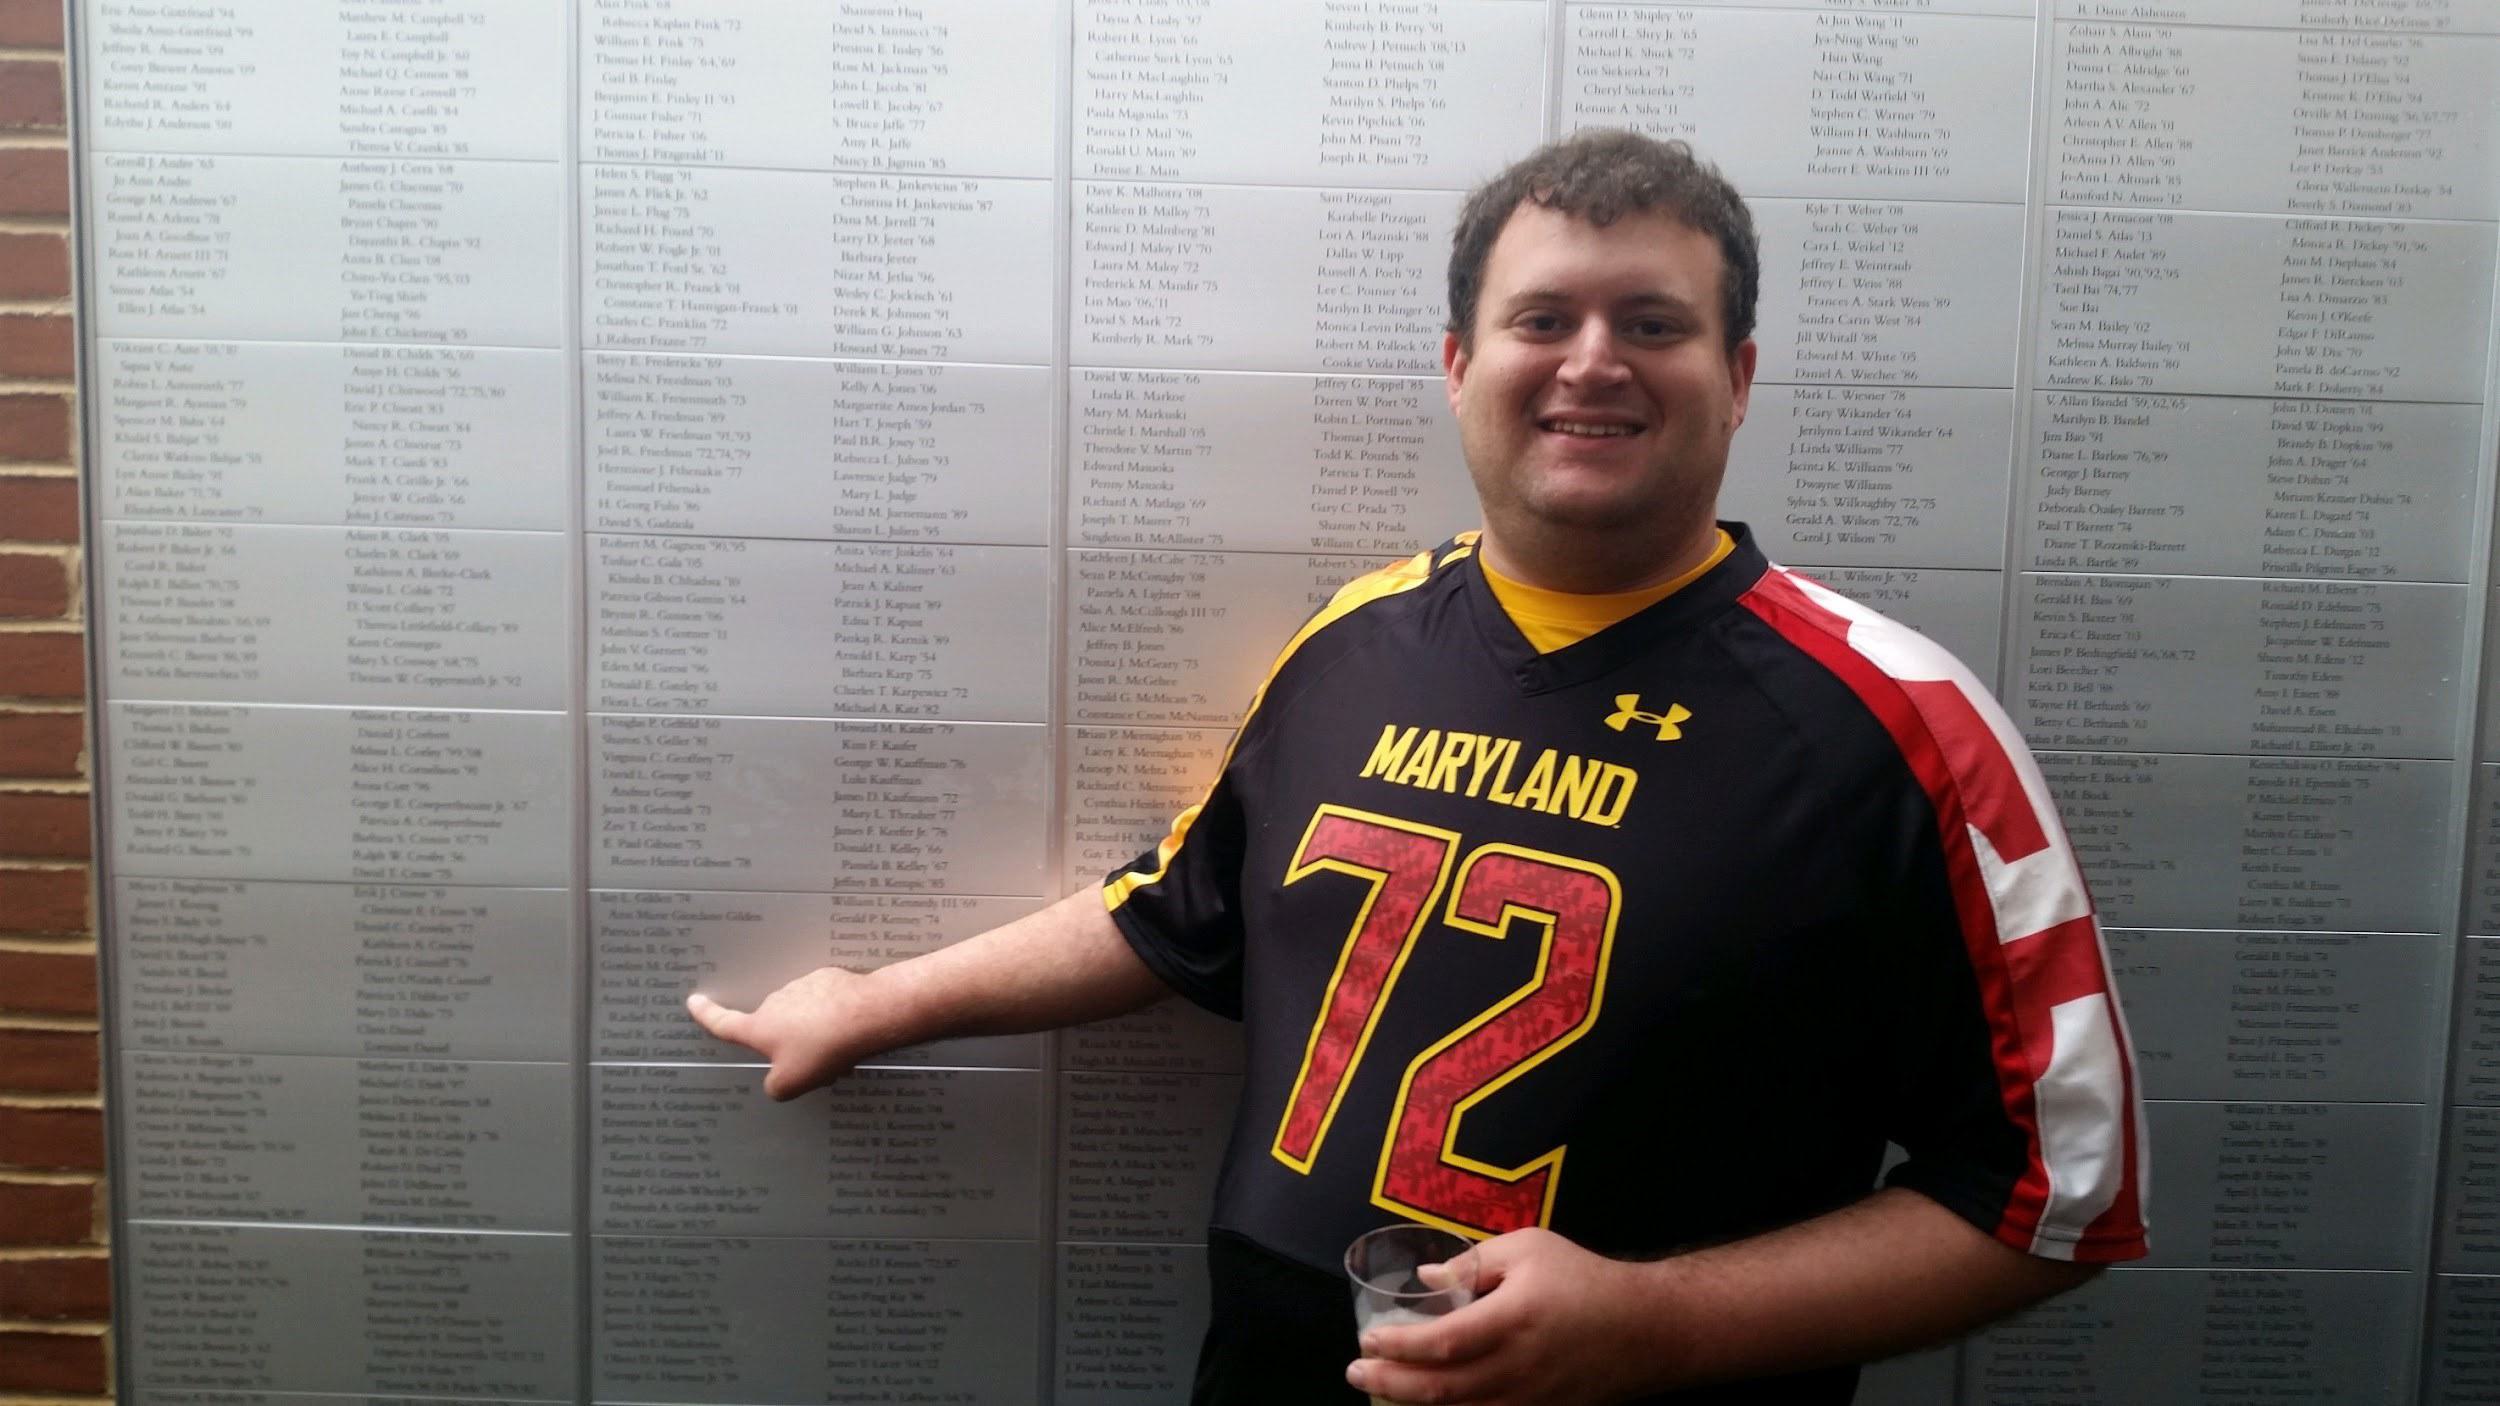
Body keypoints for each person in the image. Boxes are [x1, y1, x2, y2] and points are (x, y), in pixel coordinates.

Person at [689, 130, 2148, 1405]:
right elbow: (1176, 905)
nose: (1592, 359)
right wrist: (873, 1005)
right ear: (1461, 365)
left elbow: (2058, 1195)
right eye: (1542, 318)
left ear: (1740, 375)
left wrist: (1653, 1325)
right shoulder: (1354, 639)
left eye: (1654, 321)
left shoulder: (1899, 725)